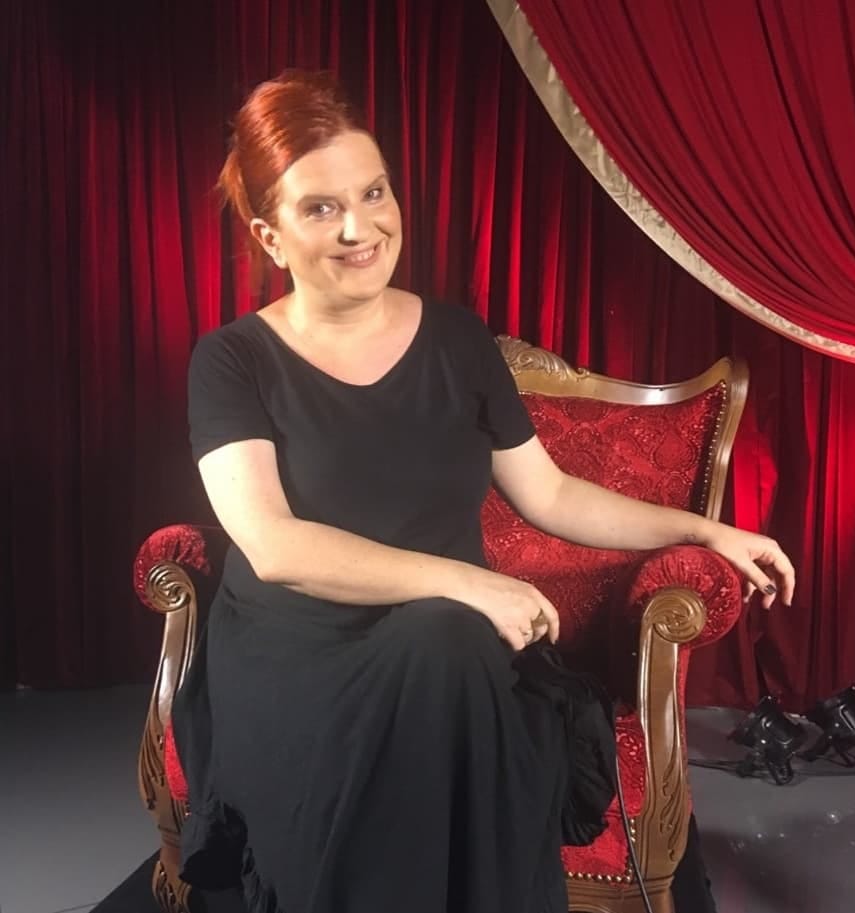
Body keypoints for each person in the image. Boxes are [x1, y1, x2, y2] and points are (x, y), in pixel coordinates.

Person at [172, 69, 795, 913]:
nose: (360, 227)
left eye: (373, 192)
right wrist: (468, 582)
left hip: (446, 649)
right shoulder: (232, 360)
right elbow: (274, 546)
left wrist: (704, 530)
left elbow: (552, 495)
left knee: (447, 649)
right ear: (270, 236)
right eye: (319, 208)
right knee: (451, 643)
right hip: (298, 654)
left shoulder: (457, 340)